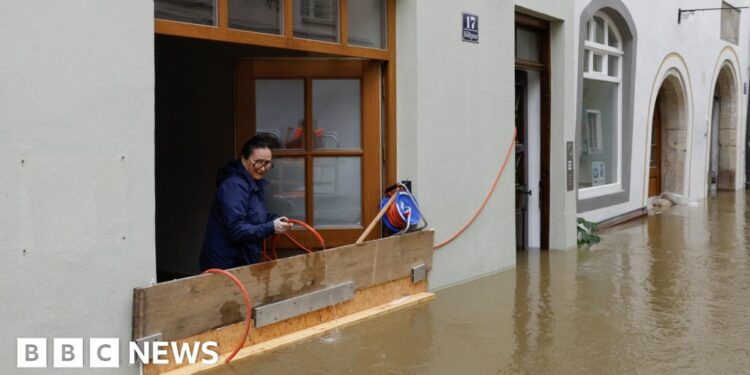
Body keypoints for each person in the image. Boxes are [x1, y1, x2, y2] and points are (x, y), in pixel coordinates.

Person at [200, 135, 294, 270]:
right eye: (258, 162)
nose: (262, 168)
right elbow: (236, 230)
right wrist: (271, 227)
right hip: (225, 263)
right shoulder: (234, 185)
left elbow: (252, 216)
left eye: (267, 163)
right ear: (244, 159)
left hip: (240, 259)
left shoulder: (252, 182)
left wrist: (274, 220)